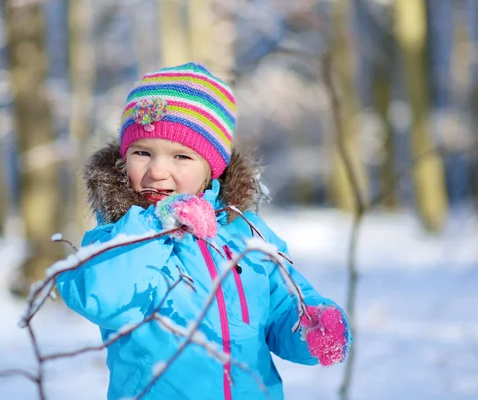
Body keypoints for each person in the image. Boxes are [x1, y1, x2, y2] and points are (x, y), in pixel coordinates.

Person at [57, 63, 351, 400]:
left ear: (212, 169)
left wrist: (311, 327)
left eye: (181, 156)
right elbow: (101, 297)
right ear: (124, 159)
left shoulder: (245, 233)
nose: (157, 171)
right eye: (142, 152)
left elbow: (281, 308)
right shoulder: (118, 235)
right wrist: (158, 225)